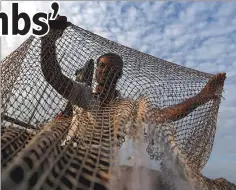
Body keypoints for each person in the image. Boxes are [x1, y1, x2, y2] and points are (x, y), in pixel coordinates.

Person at [41, 16, 226, 125]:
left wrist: (201, 97)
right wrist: (48, 41)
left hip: (103, 167)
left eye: (112, 67)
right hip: (72, 154)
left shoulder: (127, 107)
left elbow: (163, 116)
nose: (105, 70)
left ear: (119, 75)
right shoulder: (82, 93)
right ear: (97, 71)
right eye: (102, 66)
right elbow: (53, 76)